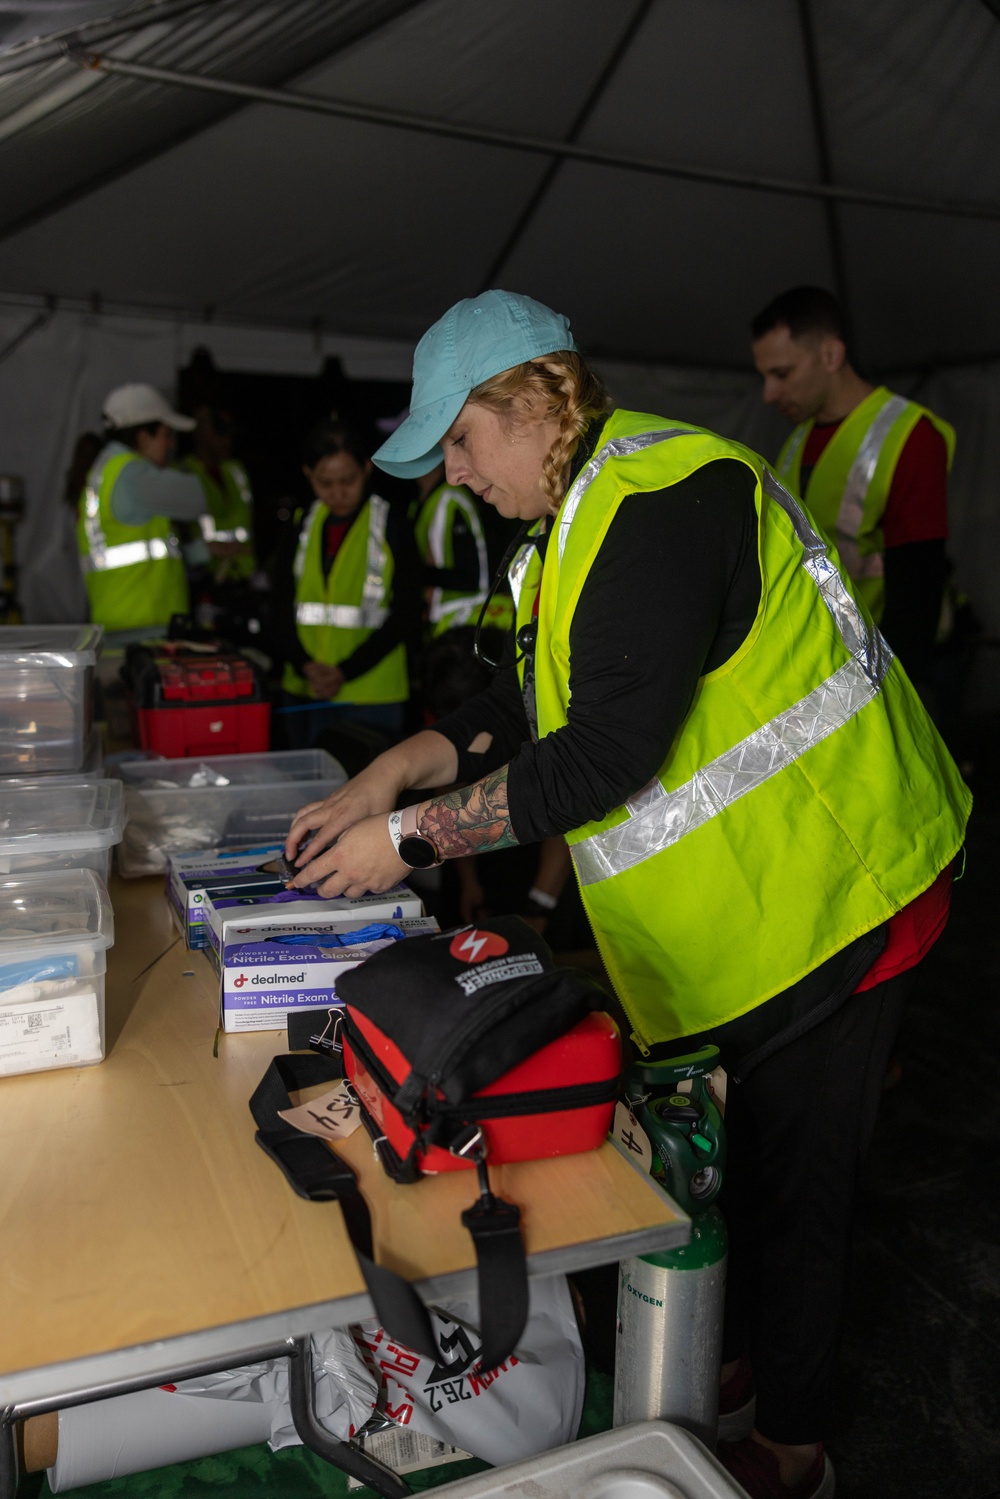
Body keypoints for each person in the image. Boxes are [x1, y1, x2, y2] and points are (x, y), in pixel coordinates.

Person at [284, 290, 970, 1499]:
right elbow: (521, 708)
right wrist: (397, 767)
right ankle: (736, 1366)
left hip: (840, 890)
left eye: (460, 441)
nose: (455, 476)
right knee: (738, 1164)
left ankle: (793, 1450)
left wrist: (411, 839)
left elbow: (601, 754)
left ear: (540, 399)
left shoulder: (662, 498)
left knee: (799, 1183)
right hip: (745, 922)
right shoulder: (576, 516)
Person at [751, 286, 954, 687]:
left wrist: (891, 688)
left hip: (887, 671)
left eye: (782, 374)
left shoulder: (909, 435)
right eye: (765, 377)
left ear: (831, 355)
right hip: (824, 666)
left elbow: (919, 591)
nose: (769, 395)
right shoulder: (796, 442)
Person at [275, 420, 420, 747]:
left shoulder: (392, 524)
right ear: (308, 474)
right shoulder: (300, 525)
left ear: (366, 470)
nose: (337, 493)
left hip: (372, 696)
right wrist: (304, 665)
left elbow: (407, 611)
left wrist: (345, 671)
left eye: (348, 481)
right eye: (325, 483)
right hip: (304, 690)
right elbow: (280, 605)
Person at [77, 384, 205, 634]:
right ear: (142, 436)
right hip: (145, 626)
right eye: (166, 435)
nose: (170, 445)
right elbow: (197, 498)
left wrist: (201, 552)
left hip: (117, 620)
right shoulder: (132, 475)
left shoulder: (105, 472)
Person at [411, 462, 490, 635]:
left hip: (463, 622)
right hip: (443, 621)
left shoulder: (451, 498)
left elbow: (468, 577)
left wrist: (413, 573)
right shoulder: (421, 503)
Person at [181, 406, 256, 582]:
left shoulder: (236, 471)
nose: (227, 441)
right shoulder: (184, 474)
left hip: (244, 573)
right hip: (205, 576)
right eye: (221, 435)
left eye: (230, 435)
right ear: (203, 434)